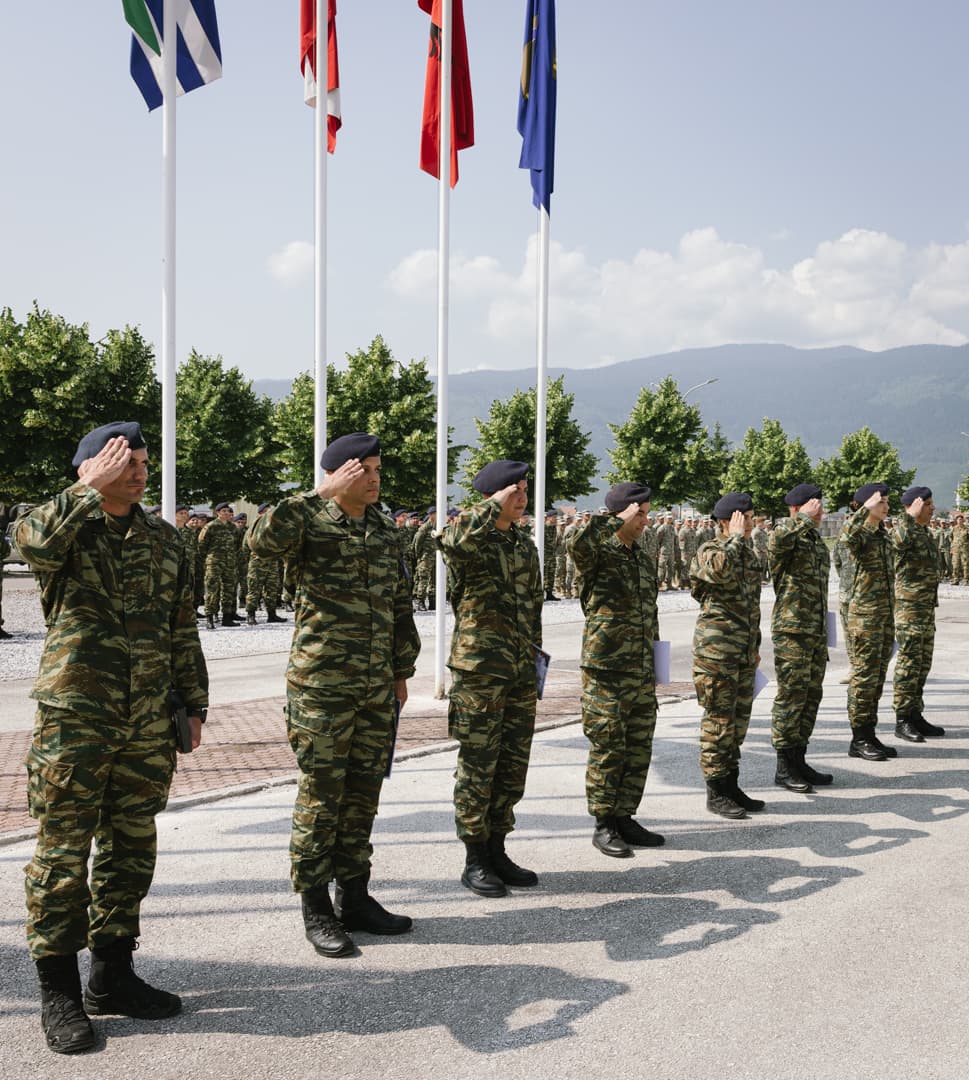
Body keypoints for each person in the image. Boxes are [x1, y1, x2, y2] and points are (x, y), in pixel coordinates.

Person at [16, 421, 207, 1055]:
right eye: (125, 463)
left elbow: (182, 625)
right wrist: (85, 492)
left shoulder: (165, 539)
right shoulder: (66, 525)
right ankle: (59, 993)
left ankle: (113, 975)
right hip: (76, 717)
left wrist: (194, 703)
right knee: (62, 854)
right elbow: (30, 545)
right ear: (91, 469)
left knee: (131, 848)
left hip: (147, 718)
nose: (139, 473)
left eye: (143, 463)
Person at [249, 432, 420, 958]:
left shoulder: (384, 530)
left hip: (375, 685)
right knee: (322, 797)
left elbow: (399, 604)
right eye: (363, 470)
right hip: (322, 685)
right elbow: (259, 541)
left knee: (363, 793)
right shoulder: (308, 520)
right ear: (338, 474)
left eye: (377, 470)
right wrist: (318, 494)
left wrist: (400, 671)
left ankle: (356, 896)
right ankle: (316, 905)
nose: (374, 479)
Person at [436, 460, 543, 898]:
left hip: (518, 671)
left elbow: (533, 608)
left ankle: (498, 849)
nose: (522, 497)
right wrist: (491, 505)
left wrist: (535, 664)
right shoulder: (470, 537)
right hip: (480, 673)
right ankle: (475, 858)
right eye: (514, 491)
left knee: (511, 768)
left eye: (524, 490)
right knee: (478, 769)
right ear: (492, 496)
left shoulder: (523, 544)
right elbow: (452, 540)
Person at [568, 482, 664, 858]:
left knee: (638, 747)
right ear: (621, 514)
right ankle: (603, 822)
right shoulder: (598, 552)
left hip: (640, 669)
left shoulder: (641, 558)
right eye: (640, 514)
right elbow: (576, 544)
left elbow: (651, 615)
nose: (645, 521)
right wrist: (613, 520)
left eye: (646, 514)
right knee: (608, 747)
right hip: (606, 670)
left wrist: (658, 666)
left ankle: (625, 816)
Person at [690, 492, 763, 819]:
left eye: (750, 517)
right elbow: (717, 573)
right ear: (725, 521)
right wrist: (733, 540)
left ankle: (731, 785)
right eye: (744, 517)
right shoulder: (710, 550)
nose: (750, 522)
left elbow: (751, 606)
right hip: (716, 653)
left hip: (742, 651)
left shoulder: (747, 552)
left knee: (738, 722)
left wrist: (754, 647)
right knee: (718, 722)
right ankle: (716, 791)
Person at [768, 483, 833, 793]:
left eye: (820, 505)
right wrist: (803, 518)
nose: (819, 511)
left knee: (810, 696)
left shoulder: (815, 541)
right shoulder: (785, 533)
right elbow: (777, 541)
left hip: (816, 630)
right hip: (792, 631)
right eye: (814, 505)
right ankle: (784, 767)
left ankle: (799, 760)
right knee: (791, 697)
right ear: (796, 508)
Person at [841, 483, 897, 761]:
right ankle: (859, 738)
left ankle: (869, 732)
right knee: (863, 677)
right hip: (863, 617)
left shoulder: (882, 535)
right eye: (881, 502)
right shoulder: (858, 533)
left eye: (886, 501)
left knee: (876, 678)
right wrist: (864, 510)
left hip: (883, 616)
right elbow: (847, 537)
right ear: (867, 505)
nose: (886, 506)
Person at [892, 486, 945, 741]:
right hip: (909, 609)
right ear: (915, 505)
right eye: (928, 504)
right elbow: (898, 543)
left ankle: (915, 714)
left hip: (925, 609)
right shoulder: (902, 529)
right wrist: (909, 516)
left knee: (923, 663)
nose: (933, 508)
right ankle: (902, 719)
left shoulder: (924, 532)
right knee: (909, 664)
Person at [198, 502, 240, 629]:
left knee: (229, 589)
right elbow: (202, 545)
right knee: (212, 589)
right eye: (223, 511)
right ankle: (210, 617)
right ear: (218, 513)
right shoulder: (211, 526)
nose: (226, 513)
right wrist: (208, 558)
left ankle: (227, 617)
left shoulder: (233, 527)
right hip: (214, 562)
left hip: (229, 562)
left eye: (228, 511)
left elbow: (237, 544)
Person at [244, 503, 287, 624]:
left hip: (272, 562)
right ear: (260, 513)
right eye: (266, 511)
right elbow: (245, 546)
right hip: (258, 563)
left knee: (272, 589)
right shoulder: (254, 527)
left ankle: (272, 614)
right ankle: (251, 615)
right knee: (254, 589)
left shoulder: (275, 527)